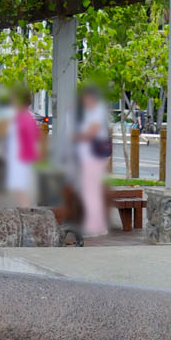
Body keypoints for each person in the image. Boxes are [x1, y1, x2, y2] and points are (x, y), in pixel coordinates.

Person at [76, 84, 111, 237]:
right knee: (91, 191)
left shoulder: (97, 112)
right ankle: (98, 225)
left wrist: (75, 136)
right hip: (88, 158)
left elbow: (92, 133)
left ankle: (93, 227)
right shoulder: (91, 112)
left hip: (93, 158)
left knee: (90, 192)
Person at [4, 86, 40, 208]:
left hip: (21, 157)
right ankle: (24, 211)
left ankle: (25, 212)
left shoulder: (24, 117)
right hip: (19, 156)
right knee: (19, 188)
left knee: (21, 188)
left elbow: (30, 137)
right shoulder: (22, 116)